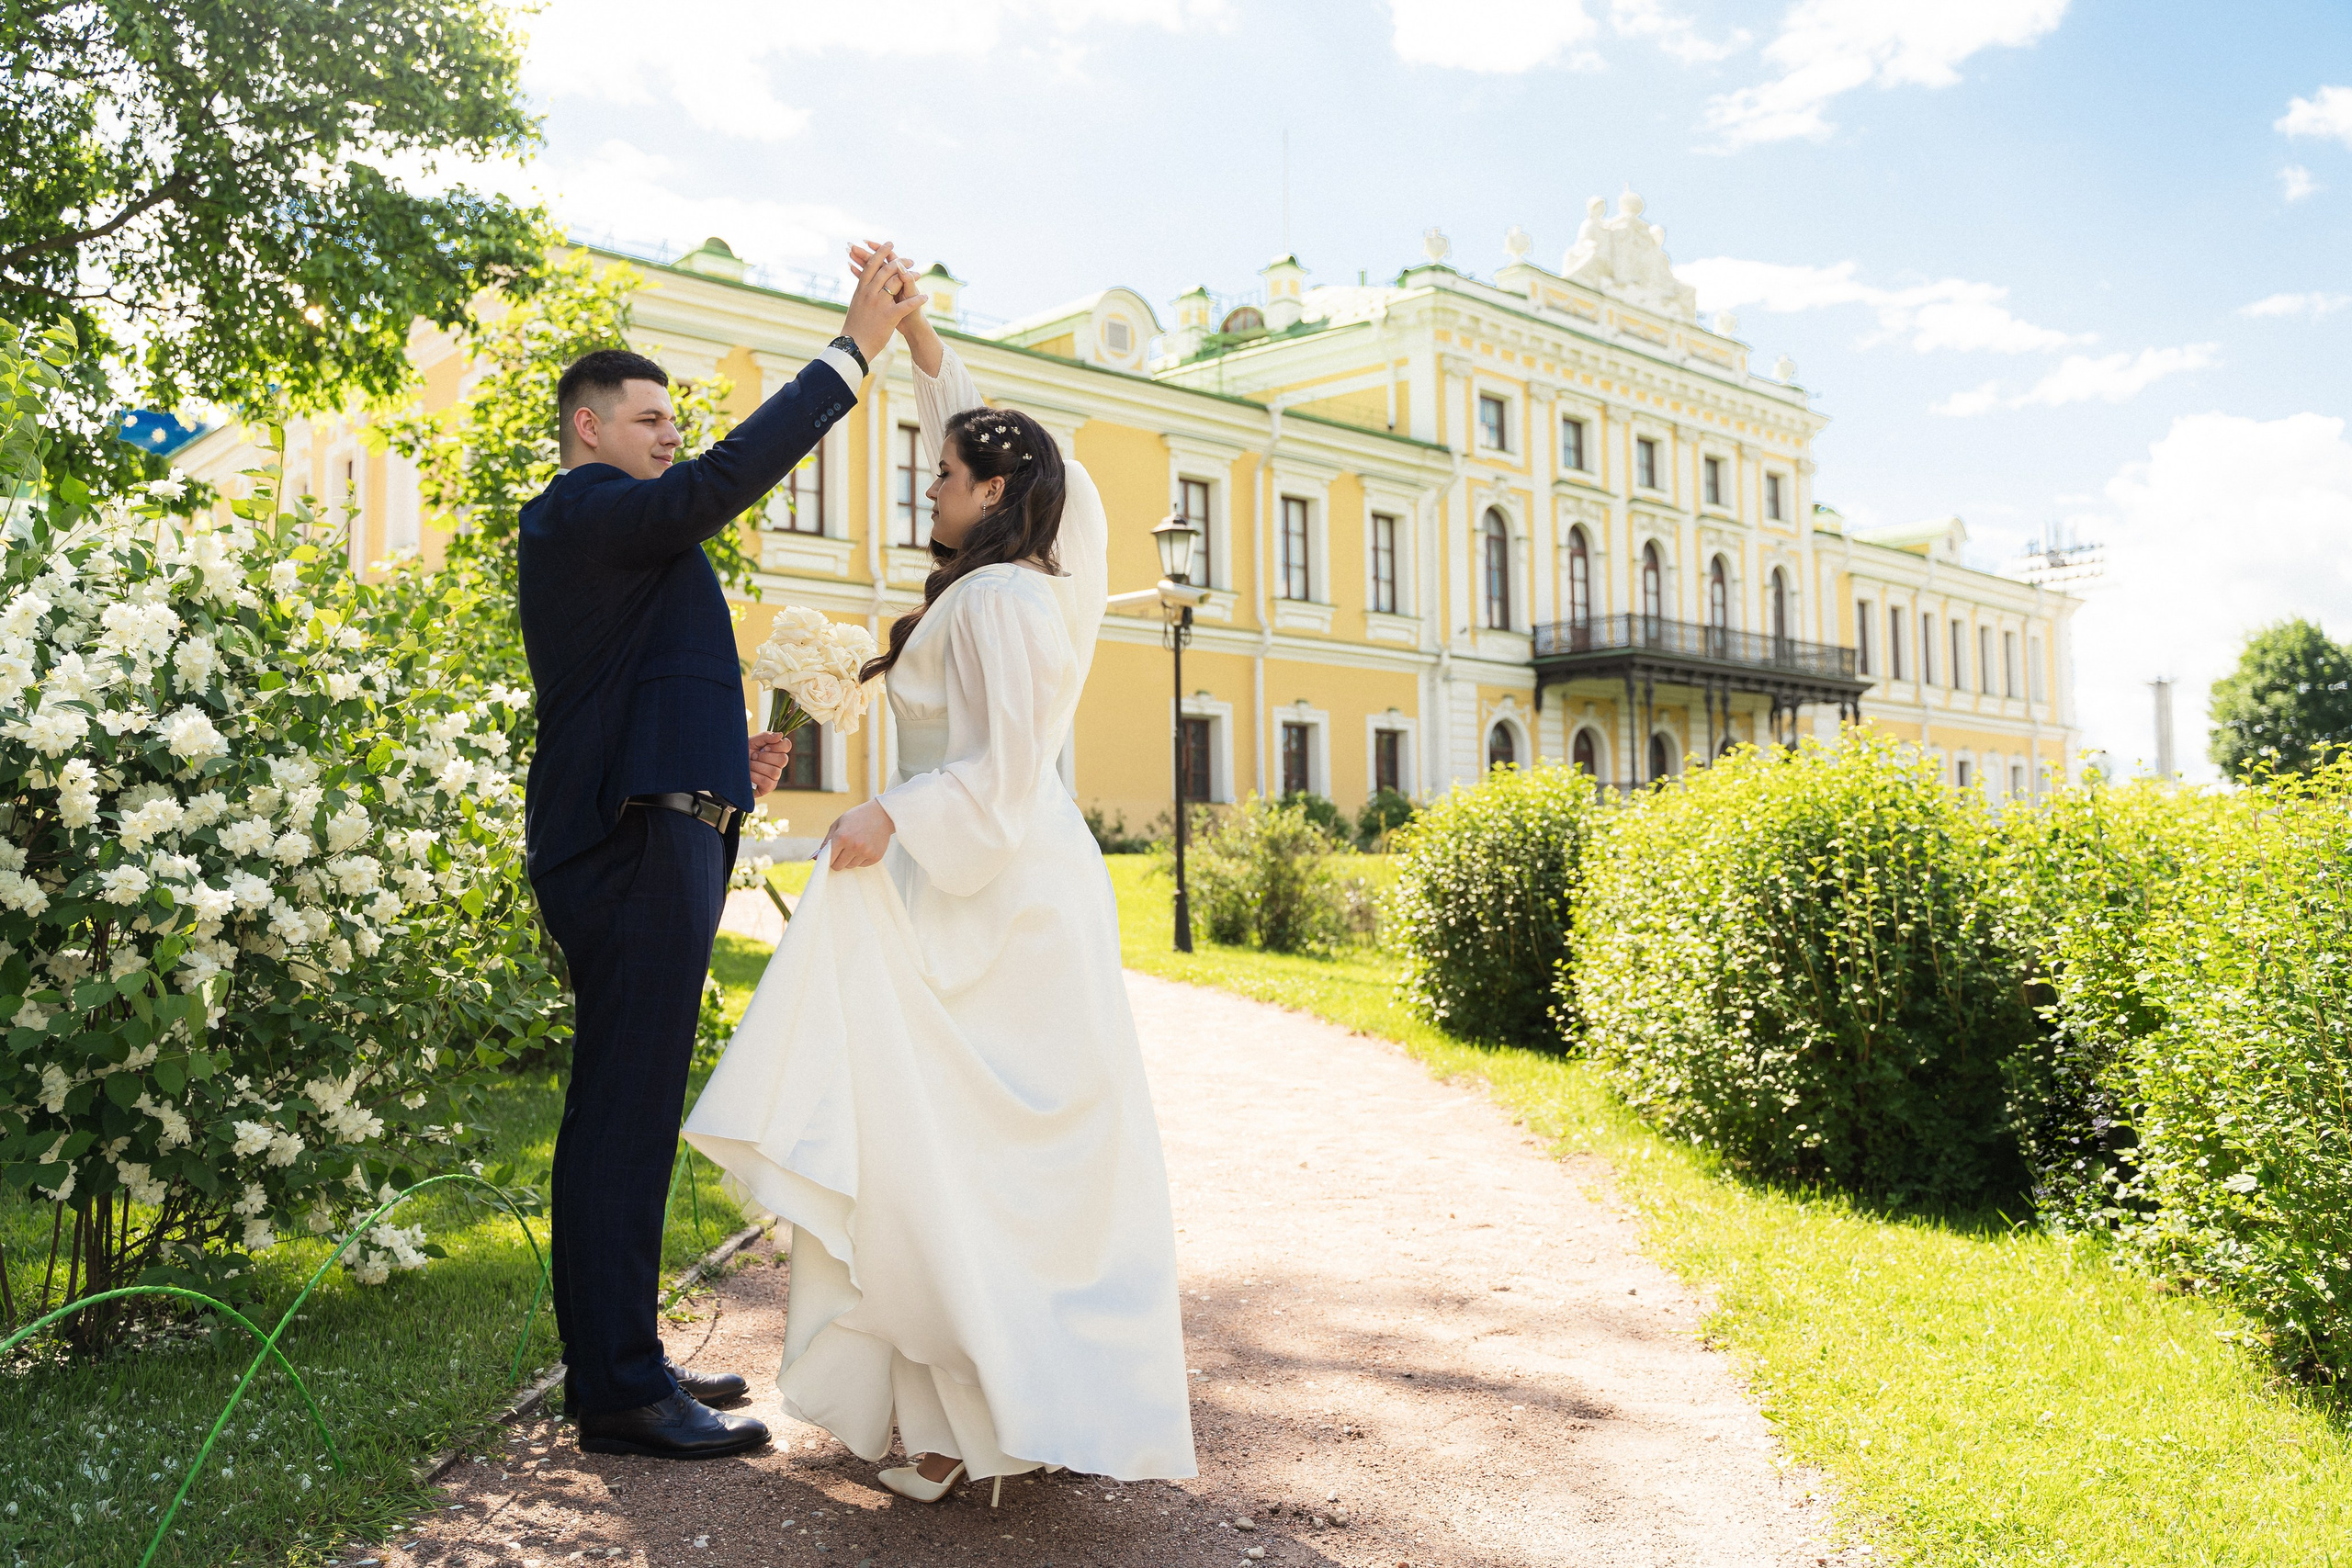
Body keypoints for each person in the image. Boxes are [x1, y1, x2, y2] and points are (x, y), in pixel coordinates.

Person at [683, 247, 1196, 1500]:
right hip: (954, 891)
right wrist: (920, 344)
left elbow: (1009, 770)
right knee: (930, 1150)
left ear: (1001, 488)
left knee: (992, 1155)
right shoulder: (999, 585)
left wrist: (894, 817)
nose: (932, 487)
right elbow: (988, 441)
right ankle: (957, 1404)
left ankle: (1011, 1397)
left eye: (948, 476)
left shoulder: (1019, 601)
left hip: (1002, 907)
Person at [520, 245, 922, 1460]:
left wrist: (722, 760)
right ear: (587, 427)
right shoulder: (583, 508)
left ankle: (620, 1373)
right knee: (625, 1119)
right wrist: (849, 353)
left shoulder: (622, 536)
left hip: (667, 825)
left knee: (624, 1112)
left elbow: (639, 677)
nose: (667, 437)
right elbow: (717, 484)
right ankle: (626, 1392)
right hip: (635, 847)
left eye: (672, 421)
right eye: (648, 419)